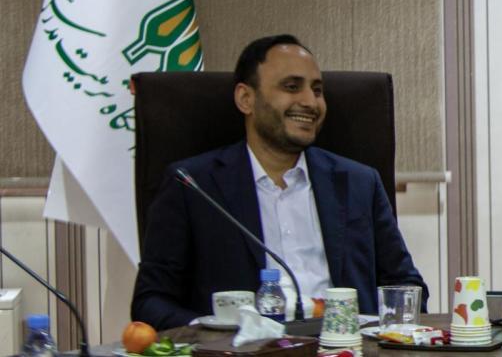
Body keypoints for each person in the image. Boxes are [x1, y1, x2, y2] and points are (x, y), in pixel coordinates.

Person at [131, 35, 428, 329]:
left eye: (317, 90)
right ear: (246, 99)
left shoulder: (359, 183)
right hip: (245, 348)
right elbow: (150, 302)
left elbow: (406, 286)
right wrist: (213, 332)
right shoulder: (194, 186)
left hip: (344, 343)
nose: (310, 102)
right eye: (291, 87)